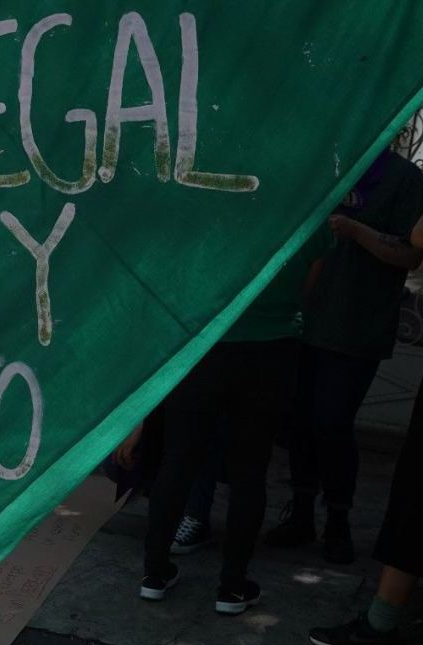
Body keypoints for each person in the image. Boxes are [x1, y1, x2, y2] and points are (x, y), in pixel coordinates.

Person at [140, 224, 330, 615]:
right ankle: (232, 584)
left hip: (203, 343)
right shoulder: (307, 205)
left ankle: (154, 573)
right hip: (270, 349)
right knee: (249, 470)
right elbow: (309, 285)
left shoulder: (207, 198)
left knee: (178, 460)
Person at [268, 151, 423, 564]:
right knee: (298, 422)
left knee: (331, 423)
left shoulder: (405, 179)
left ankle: (339, 519)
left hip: (358, 326)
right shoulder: (328, 162)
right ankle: (301, 512)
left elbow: (411, 255)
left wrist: (357, 231)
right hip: (302, 320)